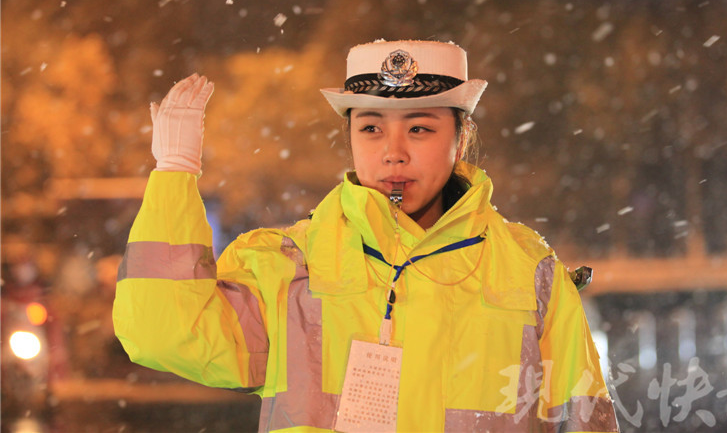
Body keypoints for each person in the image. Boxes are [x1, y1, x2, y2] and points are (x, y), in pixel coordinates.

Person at [113, 40, 619, 432]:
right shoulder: (291, 267)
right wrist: (174, 173)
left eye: (419, 129)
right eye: (372, 129)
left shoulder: (531, 276)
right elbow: (164, 333)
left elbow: (583, 420)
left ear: (461, 137)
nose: (393, 152)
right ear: (350, 137)